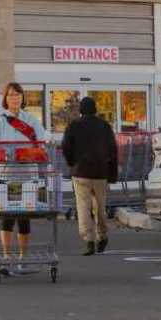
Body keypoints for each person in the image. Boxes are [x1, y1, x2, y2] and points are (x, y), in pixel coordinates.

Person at [0, 82, 48, 274]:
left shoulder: (31, 120)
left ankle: (23, 257)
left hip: (27, 174)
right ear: (5, 99)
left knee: (24, 216)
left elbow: (42, 139)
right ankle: (7, 256)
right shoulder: (0, 121)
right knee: (7, 216)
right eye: (10, 95)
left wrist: (42, 144)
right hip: (6, 175)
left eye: (17, 95)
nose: (14, 98)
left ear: (22, 98)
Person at [61, 97, 118, 255]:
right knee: (100, 207)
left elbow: (65, 146)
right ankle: (102, 235)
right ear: (95, 109)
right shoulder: (104, 126)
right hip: (101, 173)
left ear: (81, 110)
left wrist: (72, 162)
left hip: (80, 173)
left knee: (83, 207)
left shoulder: (74, 125)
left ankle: (89, 240)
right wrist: (112, 174)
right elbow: (113, 150)